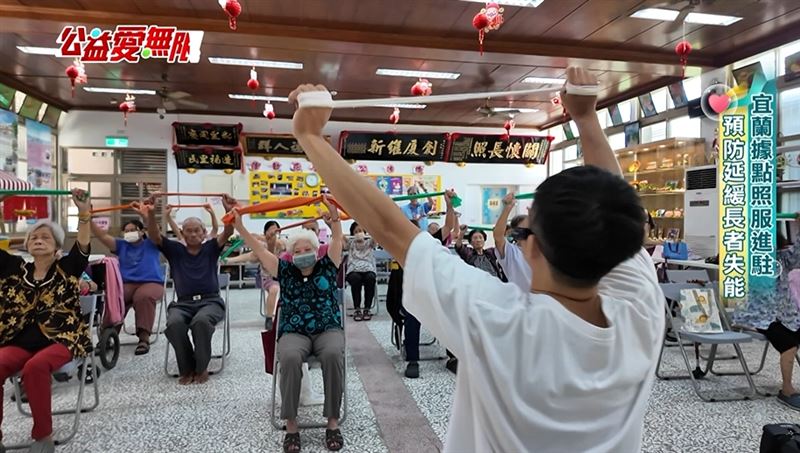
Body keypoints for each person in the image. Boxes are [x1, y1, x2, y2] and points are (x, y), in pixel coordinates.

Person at [288, 66, 663, 452]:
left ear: (530, 248)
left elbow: (387, 226)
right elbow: (614, 209)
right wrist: (587, 118)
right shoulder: (641, 314)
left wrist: (310, 136)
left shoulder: (496, 318)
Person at [232, 195, 345, 453]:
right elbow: (260, 251)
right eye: (298, 251)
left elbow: (337, 239)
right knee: (291, 358)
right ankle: (291, 426)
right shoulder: (284, 270)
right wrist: (239, 227)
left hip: (327, 328)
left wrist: (333, 214)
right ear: (290, 255)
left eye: (308, 250)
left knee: (332, 355)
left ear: (317, 251)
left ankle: (332, 422)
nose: (303, 254)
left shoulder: (328, 266)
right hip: (294, 331)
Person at [0, 189, 92, 453]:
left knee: (35, 367)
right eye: (34, 237)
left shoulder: (68, 268)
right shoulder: (14, 269)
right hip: (18, 340)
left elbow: (83, 245)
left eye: (45, 237)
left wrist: (83, 212)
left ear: (57, 246)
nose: (38, 240)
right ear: (27, 244)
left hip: (61, 339)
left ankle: (43, 436)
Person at [137, 194, 237, 385]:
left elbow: (228, 231)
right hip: (183, 303)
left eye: (197, 230)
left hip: (211, 302)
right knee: (174, 324)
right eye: (188, 231)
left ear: (203, 232)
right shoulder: (175, 250)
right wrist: (151, 214)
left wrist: (227, 209)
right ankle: (187, 368)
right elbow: (154, 236)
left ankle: (201, 368)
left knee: (201, 322)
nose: (192, 234)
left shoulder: (211, 248)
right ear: (182, 233)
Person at [733, 218, 800, 410]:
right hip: (759, 315)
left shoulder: (783, 257)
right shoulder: (749, 259)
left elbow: (796, 254)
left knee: (792, 337)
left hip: (785, 314)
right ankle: (787, 389)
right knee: (789, 345)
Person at [401, 192, 457, 379]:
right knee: (411, 318)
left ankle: (454, 356)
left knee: (449, 316)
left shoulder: (431, 242)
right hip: (414, 297)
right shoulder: (401, 247)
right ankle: (412, 360)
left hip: (435, 294)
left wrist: (449, 205)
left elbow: (448, 226)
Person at [91, 218, 165, 355]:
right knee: (115, 298)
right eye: (126, 231)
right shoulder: (121, 245)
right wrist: (88, 217)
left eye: (133, 230)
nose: (129, 233)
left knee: (143, 296)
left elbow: (155, 231)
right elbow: (101, 235)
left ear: (142, 231)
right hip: (126, 283)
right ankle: (108, 336)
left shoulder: (152, 243)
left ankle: (144, 338)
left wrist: (147, 213)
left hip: (152, 282)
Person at [225, 220, 282, 330]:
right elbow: (250, 254)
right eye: (271, 231)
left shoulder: (281, 244)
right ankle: (269, 318)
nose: (274, 234)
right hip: (268, 279)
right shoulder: (261, 247)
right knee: (274, 289)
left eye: (276, 231)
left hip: (282, 277)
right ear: (265, 233)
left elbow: (284, 245)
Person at [493, 192, 532, 292]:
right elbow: (498, 236)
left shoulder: (541, 251)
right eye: (526, 230)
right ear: (515, 232)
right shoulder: (511, 252)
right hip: (521, 302)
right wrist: (508, 208)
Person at [345, 222, 377, 321]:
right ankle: (357, 309)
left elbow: (376, 237)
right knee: (355, 279)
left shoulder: (369, 242)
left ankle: (367, 308)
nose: (359, 233)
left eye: (361, 231)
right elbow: (340, 237)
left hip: (368, 269)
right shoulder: (351, 243)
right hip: (353, 270)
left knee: (370, 278)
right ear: (352, 233)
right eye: (356, 231)